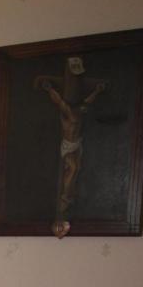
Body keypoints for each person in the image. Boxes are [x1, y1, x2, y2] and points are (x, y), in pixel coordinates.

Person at [35, 56, 107, 238]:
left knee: (76, 169)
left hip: (77, 144)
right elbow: (58, 100)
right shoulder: (67, 112)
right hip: (68, 144)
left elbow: (88, 101)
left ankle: (66, 200)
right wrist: (49, 88)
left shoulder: (79, 111)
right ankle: (65, 199)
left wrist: (97, 91)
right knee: (72, 169)